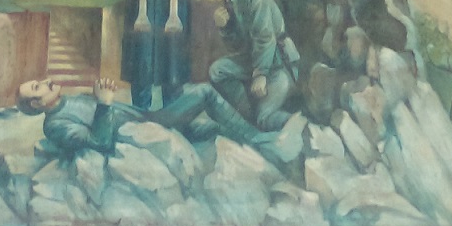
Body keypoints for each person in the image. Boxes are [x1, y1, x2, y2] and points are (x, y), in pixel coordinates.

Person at [15, 78, 269, 158]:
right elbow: (99, 142)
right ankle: (259, 139)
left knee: (212, 128)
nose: (46, 81)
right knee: (203, 92)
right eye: (38, 87)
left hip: (147, 119)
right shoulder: (56, 125)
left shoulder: (73, 98)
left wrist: (104, 97)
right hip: (145, 131)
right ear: (37, 104)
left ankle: (261, 143)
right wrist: (104, 102)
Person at [199, 0, 300, 131]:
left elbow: (265, 39)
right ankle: (245, 114)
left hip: (279, 66)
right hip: (254, 62)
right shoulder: (229, 4)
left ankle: (303, 125)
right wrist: (224, 28)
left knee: (264, 119)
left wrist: (260, 74)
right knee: (217, 71)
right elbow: (237, 47)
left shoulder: (255, 0)